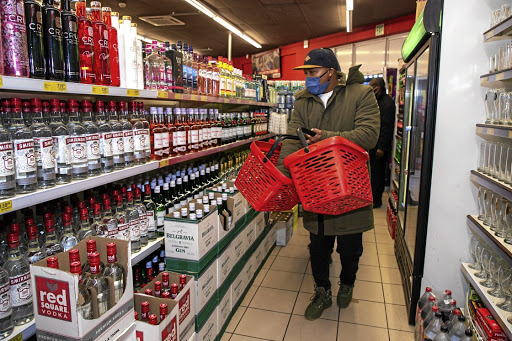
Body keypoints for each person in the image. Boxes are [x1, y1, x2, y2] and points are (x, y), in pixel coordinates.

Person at [276, 48, 380, 320]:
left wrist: (328, 138)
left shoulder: (361, 95)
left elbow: (368, 136)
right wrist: (280, 175)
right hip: (315, 187)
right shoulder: (303, 102)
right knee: (318, 246)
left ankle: (347, 283)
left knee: (350, 247)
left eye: (312, 72)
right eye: (306, 73)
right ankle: (322, 291)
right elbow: (291, 138)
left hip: (350, 187)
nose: (307, 78)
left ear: (331, 72)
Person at [368, 77, 396, 208]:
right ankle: (372, 197)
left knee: (378, 174)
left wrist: (382, 147)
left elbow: (386, 127)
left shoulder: (387, 103)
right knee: (373, 173)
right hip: (374, 145)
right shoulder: (377, 101)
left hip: (380, 146)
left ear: (377, 88)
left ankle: (376, 199)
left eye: (371, 86)